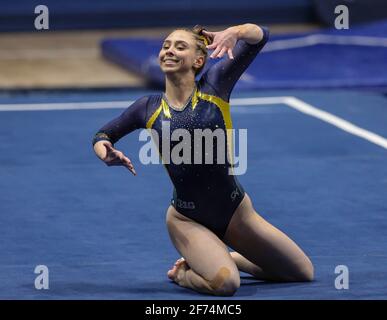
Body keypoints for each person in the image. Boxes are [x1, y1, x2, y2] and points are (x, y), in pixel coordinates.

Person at [92, 23, 314, 296]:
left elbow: (261, 36)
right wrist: (104, 150)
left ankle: (228, 258)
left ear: (199, 60)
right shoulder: (147, 107)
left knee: (303, 273)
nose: (169, 51)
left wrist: (236, 31)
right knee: (226, 284)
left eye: (179, 46)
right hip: (187, 218)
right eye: (166, 46)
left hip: (236, 212)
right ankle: (184, 273)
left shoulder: (215, 86)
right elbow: (104, 134)